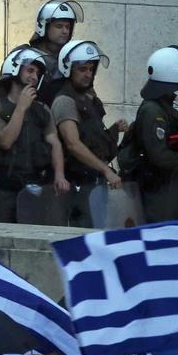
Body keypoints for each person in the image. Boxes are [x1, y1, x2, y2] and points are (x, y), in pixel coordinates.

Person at [123, 46, 178, 224]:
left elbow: (169, 137)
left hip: (165, 185)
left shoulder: (162, 106)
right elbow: (159, 155)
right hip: (155, 189)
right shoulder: (153, 111)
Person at [0, 44, 70, 223]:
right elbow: (5, 141)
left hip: (35, 188)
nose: (34, 77)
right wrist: (21, 108)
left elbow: (54, 141)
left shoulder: (42, 109)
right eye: (30, 70)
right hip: (4, 191)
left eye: (37, 73)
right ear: (14, 69)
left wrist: (59, 175)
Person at [51, 39, 125, 228]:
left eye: (91, 69)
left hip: (94, 183)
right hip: (79, 184)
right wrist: (106, 170)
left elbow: (93, 140)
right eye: (82, 69)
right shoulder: (65, 101)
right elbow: (73, 144)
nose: (88, 74)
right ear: (68, 69)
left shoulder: (88, 99)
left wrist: (115, 130)